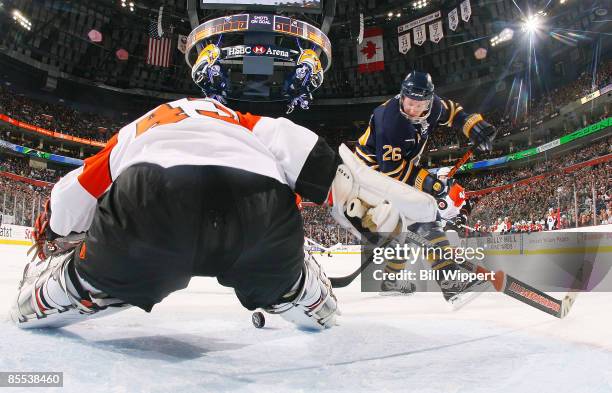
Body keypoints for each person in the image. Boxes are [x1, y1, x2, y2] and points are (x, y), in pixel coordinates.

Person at [10, 96, 439, 330]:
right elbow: (305, 151)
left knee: (90, 276)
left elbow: (72, 198)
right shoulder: (242, 121)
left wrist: (52, 230)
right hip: (260, 208)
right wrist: (360, 207)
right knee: (287, 279)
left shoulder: (142, 126)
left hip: (149, 204)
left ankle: (67, 289)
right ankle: (301, 292)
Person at [355, 71, 496, 298]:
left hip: (390, 170)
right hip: (369, 174)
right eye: (410, 103)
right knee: (424, 215)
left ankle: (391, 282)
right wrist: (431, 185)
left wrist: (474, 126)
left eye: (419, 105)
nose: (413, 109)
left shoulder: (433, 106)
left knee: (402, 228)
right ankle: (450, 281)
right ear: (402, 96)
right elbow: (393, 171)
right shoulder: (388, 121)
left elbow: (453, 112)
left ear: (429, 101)